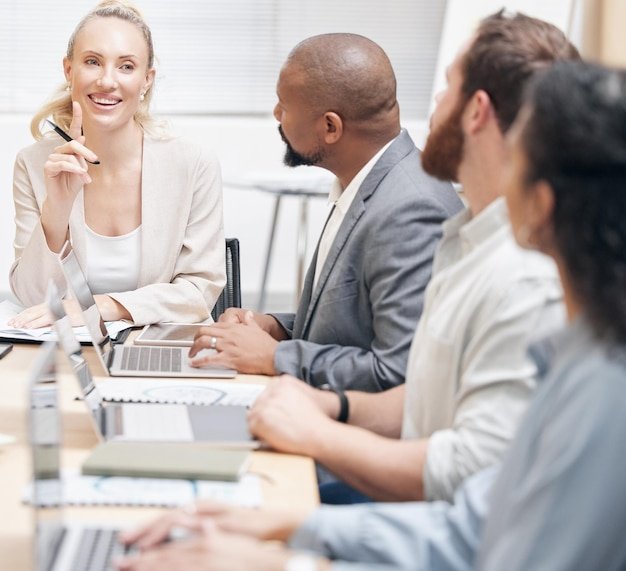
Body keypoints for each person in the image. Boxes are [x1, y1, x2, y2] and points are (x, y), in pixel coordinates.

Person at [118, 59, 626, 571]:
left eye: (517, 156)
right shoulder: (578, 356)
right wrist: (292, 527)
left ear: (540, 205)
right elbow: (469, 530)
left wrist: (280, 563)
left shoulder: (596, 385)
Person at [238, 11, 577, 505]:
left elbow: (464, 476)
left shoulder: (522, 274)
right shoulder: (471, 239)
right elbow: (421, 396)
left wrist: (314, 427)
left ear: (477, 111)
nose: (433, 103)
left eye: (447, 86)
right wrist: (326, 405)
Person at [188, 33, 462, 391]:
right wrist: (275, 327)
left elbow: (397, 374)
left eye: (283, 106)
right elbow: (354, 328)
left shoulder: (410, 210)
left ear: (330, 127)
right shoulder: (368, 181)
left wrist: (275, 357)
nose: (276, 114)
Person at [9, 0, 225, 327]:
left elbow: (199, 291)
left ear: (147, 79)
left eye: (126, 66)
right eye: (93, 62)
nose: (108, 81)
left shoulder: (194, 164)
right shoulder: (34, 163)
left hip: (158, 347)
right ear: (69, 70)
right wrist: (57, 209)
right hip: (71, 354)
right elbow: (34, 300)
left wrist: (104, 306)